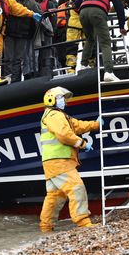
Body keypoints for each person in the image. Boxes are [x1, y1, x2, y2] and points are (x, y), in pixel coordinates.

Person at [39, 87, 101, 232]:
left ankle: (46, 227)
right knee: (76, 187)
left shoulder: (59, 116)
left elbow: (77, 125)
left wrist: (96, 124)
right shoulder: (54, 115)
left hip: (52, 162)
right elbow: (64, 135)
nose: (64, 101)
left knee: (55, 195)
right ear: (51, 99)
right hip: (59, 161)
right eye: (60, 98)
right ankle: (83, 221)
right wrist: (82, 144)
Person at [78, 0, 126, 82]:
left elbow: (78, 2)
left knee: (90, 39)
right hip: (97, 12)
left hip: (83, 13)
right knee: (105, 42)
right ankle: (108, 72)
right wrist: (121, 26)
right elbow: (118, 6)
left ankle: (83, 65)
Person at [4, 0, 41, 82]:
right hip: (9, 34)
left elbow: (39, 14)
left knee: (18, 59)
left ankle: (16, 81)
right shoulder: (8, 0)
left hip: (23, 35)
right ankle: (7, 80)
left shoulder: (31, 3)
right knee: (8, 58)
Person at [64, 0, 97, 72]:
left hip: (88, 19)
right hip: (75, 19)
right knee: (71, 47)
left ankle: (90, 68)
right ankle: (70, 70)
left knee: (90, 45)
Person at [35, 0, 57, 75]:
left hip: (47, 30)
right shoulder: (34, 3)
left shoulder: (50, 3)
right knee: (38, 52)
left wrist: (53, 29)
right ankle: (38, 71)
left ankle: (48, 70)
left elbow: (54, 17)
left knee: (47, 50)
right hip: (37, 31)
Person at [54, 0, 70, 69]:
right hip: (64, 32)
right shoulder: (67, 6)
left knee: (63, 56)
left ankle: (66, 69)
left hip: (63, 33)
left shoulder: (62, 7)